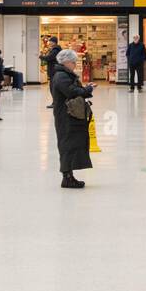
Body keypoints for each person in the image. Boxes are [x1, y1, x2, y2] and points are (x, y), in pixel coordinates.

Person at [50, 48, 93, 188]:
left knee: (72, 144)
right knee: (67, 145)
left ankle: (69, 176)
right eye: (73, 62)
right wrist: (87, 90)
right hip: (66, 116)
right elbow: (71, 92)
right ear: (66, 62)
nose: (75, 64)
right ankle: (67, 178)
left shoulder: (64, 74)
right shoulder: (61, 76)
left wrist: (85, 89)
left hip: (70, 114)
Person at [40, 35, 61, 108]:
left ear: (54, 42)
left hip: (54, 71)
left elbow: (49, 58)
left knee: (53, 88)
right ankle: (55, 102)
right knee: (53, 87)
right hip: (54, 71)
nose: (49, 42)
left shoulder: (55, 50)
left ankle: (55, 103)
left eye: (50, 41)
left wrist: (41, 57)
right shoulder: (55, 49)